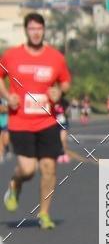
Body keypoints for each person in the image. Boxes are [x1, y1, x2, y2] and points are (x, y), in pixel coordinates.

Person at [1, 12, 71, 229]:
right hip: (20, 122)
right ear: (26, 30)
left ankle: (44, 214)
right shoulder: (11, 56)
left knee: (49, 167)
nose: (36, 32)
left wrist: (59, 91)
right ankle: (15, 183)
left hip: (47, 121)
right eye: (32, 28)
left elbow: (66, 82)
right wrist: (6, 96)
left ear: (44, 30)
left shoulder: (56, 57)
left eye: (39, 28)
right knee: (28, 169)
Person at [56, 94, 71, 163]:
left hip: (63, 123)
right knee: (56, 140)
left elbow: (67, 112)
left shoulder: (65, 102)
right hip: (54, 124)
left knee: (63, 140)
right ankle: (58, 154)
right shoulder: (52, 102)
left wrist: (66, 113)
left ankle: (64, 154)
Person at [0, 99, 9, 163]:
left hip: (5, 122)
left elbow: (5, 109)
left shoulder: (4, 100)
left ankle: (7, 148)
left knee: (5, 140)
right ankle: (1, 155)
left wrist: (4, 109)